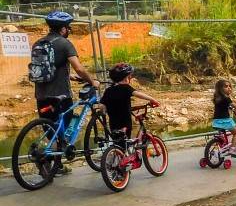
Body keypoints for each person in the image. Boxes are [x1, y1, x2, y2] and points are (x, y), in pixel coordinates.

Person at [29, 11, 100, 175]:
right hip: (60, 95)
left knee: (51, 131)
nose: (69, 30)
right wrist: (92, 81)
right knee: (63, 132)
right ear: (62, 29)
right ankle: (45, 159)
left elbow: (47, 68)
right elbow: (79, 67)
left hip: (41, 94)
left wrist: (69, 75)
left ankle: (55, 165)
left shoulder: (38, 43)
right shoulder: (64, 43)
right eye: (68, 27)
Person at [99, 63, 159, 146]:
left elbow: (102, 105)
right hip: (125, 122)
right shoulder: (126, 88)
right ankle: (126, 156)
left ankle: (118, 155)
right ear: (126, 78)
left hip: (113, 124)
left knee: (118, 144)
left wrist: (104, 110)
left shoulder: (108, 90)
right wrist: (152, 99)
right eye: (129, 76)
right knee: (126, 142)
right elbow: (138, 94)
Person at [212, 79, 236, 157]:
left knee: (222, 137)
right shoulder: (226, 98)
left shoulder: (217, 98)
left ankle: (221, 148)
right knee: (235, 133)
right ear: (220, 89)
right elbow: (233, 105)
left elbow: (223, 106)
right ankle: (232, 149)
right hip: (225, 120)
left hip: (216, 121)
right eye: (226, 86)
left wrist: (230, 108)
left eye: (229, 86)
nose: (229, 88)